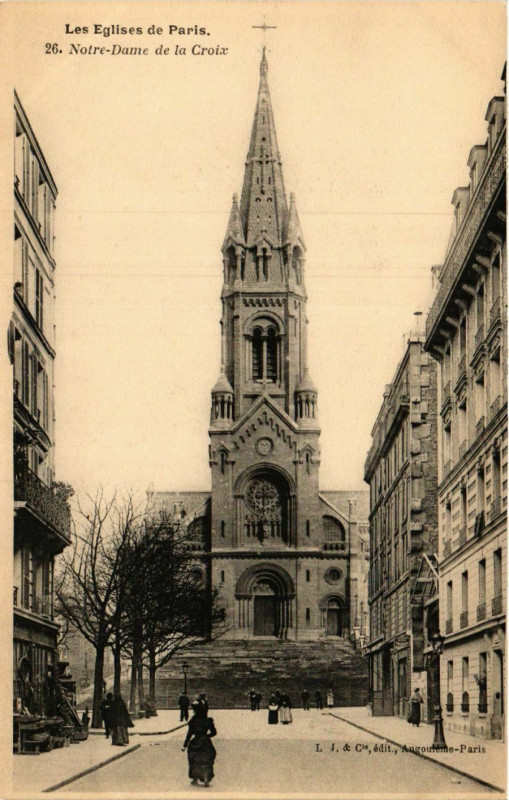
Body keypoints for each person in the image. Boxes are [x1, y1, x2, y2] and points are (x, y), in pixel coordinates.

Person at [182, 702, 217, 787]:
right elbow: (214, 732)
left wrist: (184, 745)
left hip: (195, 741)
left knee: (194, 760)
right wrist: (206, 736)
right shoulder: (208, 720)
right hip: (206, 742)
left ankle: (195, 778)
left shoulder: (193, 721)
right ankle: (206, 778)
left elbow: (189, 734)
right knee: (206, 760)